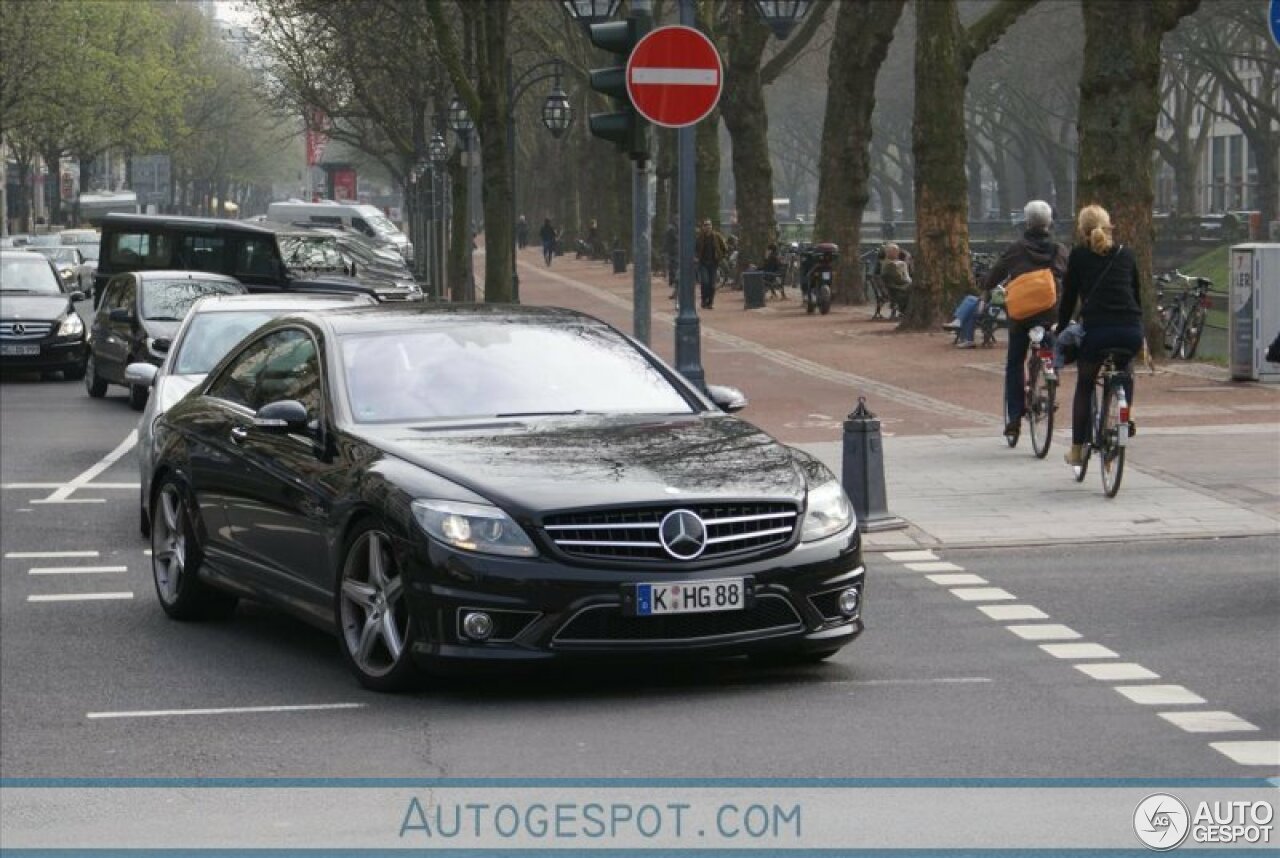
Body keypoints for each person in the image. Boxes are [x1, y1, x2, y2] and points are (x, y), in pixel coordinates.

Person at [1057, 204, 1142, 467]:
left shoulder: (1079, 256)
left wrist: (1060, 328)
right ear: (1109, 227)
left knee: (1085, 384)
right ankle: (1126, 414)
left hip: (1097, 332)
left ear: (1082, 231)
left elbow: (1069, 298)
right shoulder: (1126, 255)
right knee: (1125, 366)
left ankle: (1077, 450)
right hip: (1130, 330)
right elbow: (1137, 296)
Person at [974, 200, 1067, 441]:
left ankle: (1014, 417)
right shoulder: (1059, 250)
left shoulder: (1016, 249)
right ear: (1049, 223)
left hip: (1022, 315)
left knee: (1015, 362)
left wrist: (985, 292)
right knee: (1049, 345)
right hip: (1049, 313)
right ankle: (1050, 372)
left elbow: (996, 273)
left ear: (1027, 222)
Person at [694, 219, 726, 309]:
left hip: (713, 263)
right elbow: (695, 249)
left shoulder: (716, 236)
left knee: (712, 284)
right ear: (703, 227)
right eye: (706, 225)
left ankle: (710, 302)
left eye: (709, 225)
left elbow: (724, 247)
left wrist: (720, 257)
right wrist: (696, 257)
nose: (708, 227)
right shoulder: (700, 238)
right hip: (703, 263)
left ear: (711, 226)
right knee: (705, 282)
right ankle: (704, 300)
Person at [878, 243, 912, 313]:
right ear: (888, 252)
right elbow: (900, 280)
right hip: (897, 292)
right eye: (895, 251)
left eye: (897, 251)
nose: (897, 253)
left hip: (894, 290)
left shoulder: (885, 263)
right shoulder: (891, 266)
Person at [664, 221, 679, 299]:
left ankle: (675, 292)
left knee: (675, 270)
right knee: (675, 270)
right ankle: (675, 292)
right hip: (675, 252)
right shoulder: (673, 229)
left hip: (674, 252)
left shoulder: (671, 229)